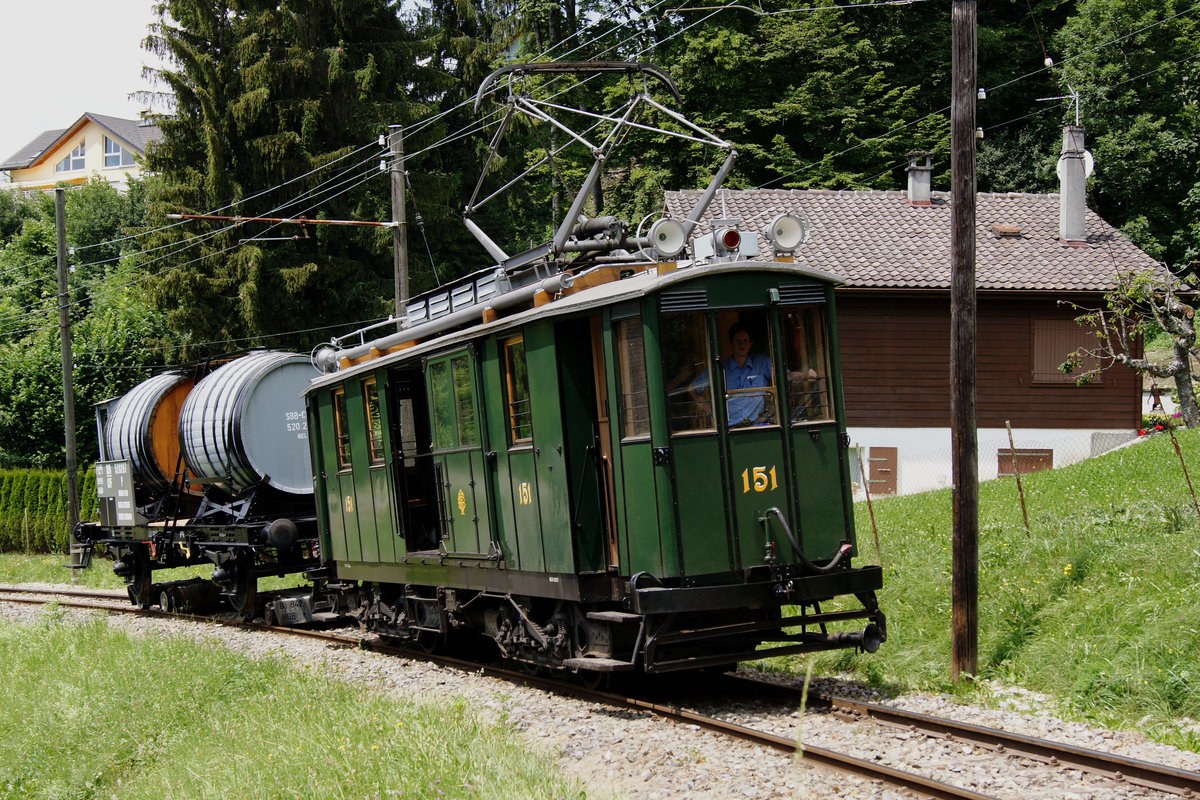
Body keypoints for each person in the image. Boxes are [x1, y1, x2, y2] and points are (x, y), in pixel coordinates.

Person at [691, 323, 774, 427]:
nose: (742, 345)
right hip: (730, 429)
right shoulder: (720, 368)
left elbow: (786, 376)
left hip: (757, 425)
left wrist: (799, 374)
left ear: (751, 343)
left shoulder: (761, 362)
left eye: (745, 341)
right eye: (738, 341)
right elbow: (692, 388)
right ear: (731, 344)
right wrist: (711, 412)